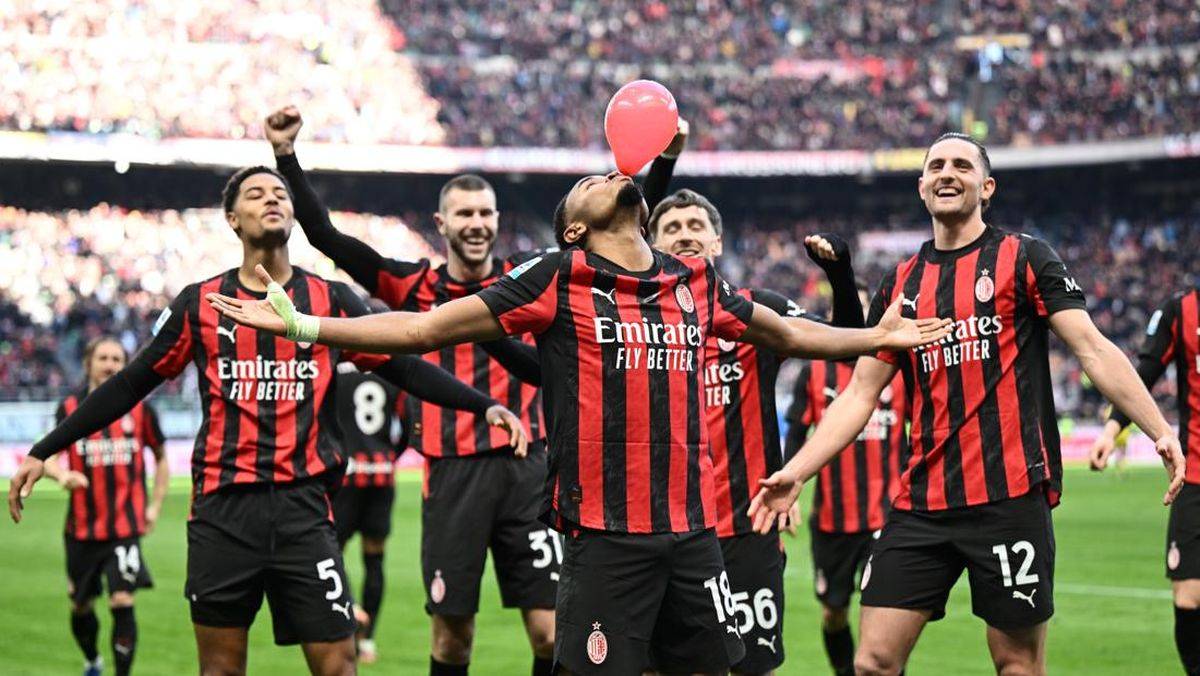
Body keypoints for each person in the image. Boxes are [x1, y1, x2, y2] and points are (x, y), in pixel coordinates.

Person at [198, 167, 952, 674]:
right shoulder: (557, 278)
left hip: (695, 540)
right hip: (604, 543)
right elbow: (422, 330)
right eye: (589, 184)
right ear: (575, 230)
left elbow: (790, 335)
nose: (604, 178)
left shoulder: (693, 280)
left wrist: (876, 337)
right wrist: (307, 329)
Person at [9, 165, 527, 676]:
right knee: (221, 669)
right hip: (223, 510)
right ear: (232, 219)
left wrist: (483, 405)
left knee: (338, 666)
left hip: (306, 508)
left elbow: (405, 368)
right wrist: (46, 447)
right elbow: (129, 384)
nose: (272, 200)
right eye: (256, 195)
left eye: (280, 193)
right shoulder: (201, 303)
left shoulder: (329, 299)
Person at [748, 133, 1186, 675]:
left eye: (961, 165)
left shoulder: (1025, 257)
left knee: (1017, 665)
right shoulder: (901, 282)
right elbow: (861, 393)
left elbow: (1093, 349)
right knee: (872, 662)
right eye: (935, 166)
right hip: (922, 504)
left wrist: (1157, 429)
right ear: (921, 186)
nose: (946, 173)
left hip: (1009, 498)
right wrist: (797, 472)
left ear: (987, 186)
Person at [268, 104, 677, 676]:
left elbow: (623, 235)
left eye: (485, 211)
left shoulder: (533, 277)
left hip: (530, 468)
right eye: (463, 213)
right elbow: (329, 239)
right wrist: (287, 157)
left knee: (548, 630)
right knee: (452, 637)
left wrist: (662, 161)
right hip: (452, 470)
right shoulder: (414, 285)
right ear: (443, 224)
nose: (477, 222)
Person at [647, 185, 863, 675]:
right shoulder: (634, 320)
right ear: (652, 243)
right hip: (661, 530)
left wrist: (839, 273)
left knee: (750, 668)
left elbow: (845, 347)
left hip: (747, 528)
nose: (685, 235)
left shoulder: (754, 310)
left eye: (696, 226)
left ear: (717, 243)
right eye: (672, 228)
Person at [40, 336, 169, 676]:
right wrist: (61, 475)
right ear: (88, 363)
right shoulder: (69, 408)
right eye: (104, 358)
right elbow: (48, 459)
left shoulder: (141, 410)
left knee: (122, 600)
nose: (111, 365)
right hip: (81, 529)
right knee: (81, 605)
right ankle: (93, 660)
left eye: (117, 358)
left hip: (124, 529)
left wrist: (154, 506)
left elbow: (161, 458)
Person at [785, 319, 906, 676]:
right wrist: (791, 489)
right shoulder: (815, 371)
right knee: (833, 613)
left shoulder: (895, 368)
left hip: (885, 520)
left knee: (883, 621)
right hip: (832, 521)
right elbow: (795, 433)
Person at [1089, 286, 1200, 674]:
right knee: (1188, 599)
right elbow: (1143, 376)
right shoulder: (1180, 310)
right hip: (1196, 477)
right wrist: (1111, 431)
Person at [331, 362, 408, 664]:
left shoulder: (336, 370)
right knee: (375, 558)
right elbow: (407, 424)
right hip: (382, 475)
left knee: (331, 550)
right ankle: (368, 642)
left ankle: (350, 610)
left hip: (348, 475)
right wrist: (388, 457)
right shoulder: (388, 368)